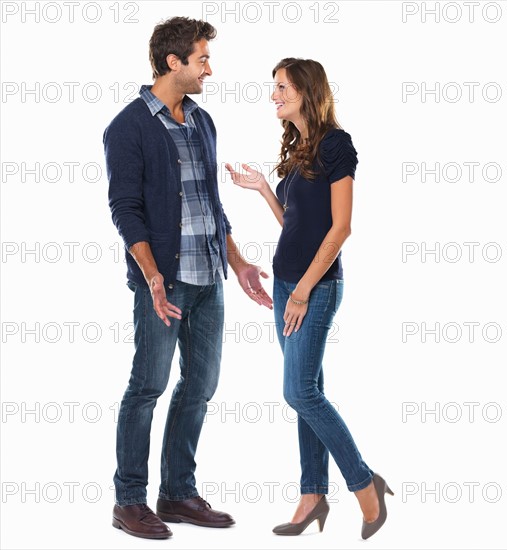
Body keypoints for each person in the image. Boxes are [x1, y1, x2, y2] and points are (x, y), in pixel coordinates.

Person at [103, 16, 272, 540]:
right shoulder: (127, 127)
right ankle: (129, 500)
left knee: (200, 386)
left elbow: (211, 207)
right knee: (147, 386)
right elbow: (126, 210)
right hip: (164, 284)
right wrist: (151, 276)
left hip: (209, 280)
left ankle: (177, 492)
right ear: (173, 62)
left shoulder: (202, 121)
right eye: (202, 59)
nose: (209, 69)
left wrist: (239, 262)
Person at [226, 58, 392, 540]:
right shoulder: (300, 150)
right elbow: (297, 227)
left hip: (312, 290)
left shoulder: (337, 145)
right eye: (272, 87)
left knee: (299, 392)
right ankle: (313, 494)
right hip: (287, 286)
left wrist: (301, 292)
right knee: (307, 392)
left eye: (281, 87)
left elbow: (340, 229)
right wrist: (263, 190)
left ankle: (365, 484)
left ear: (306, 91)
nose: (273, 94)